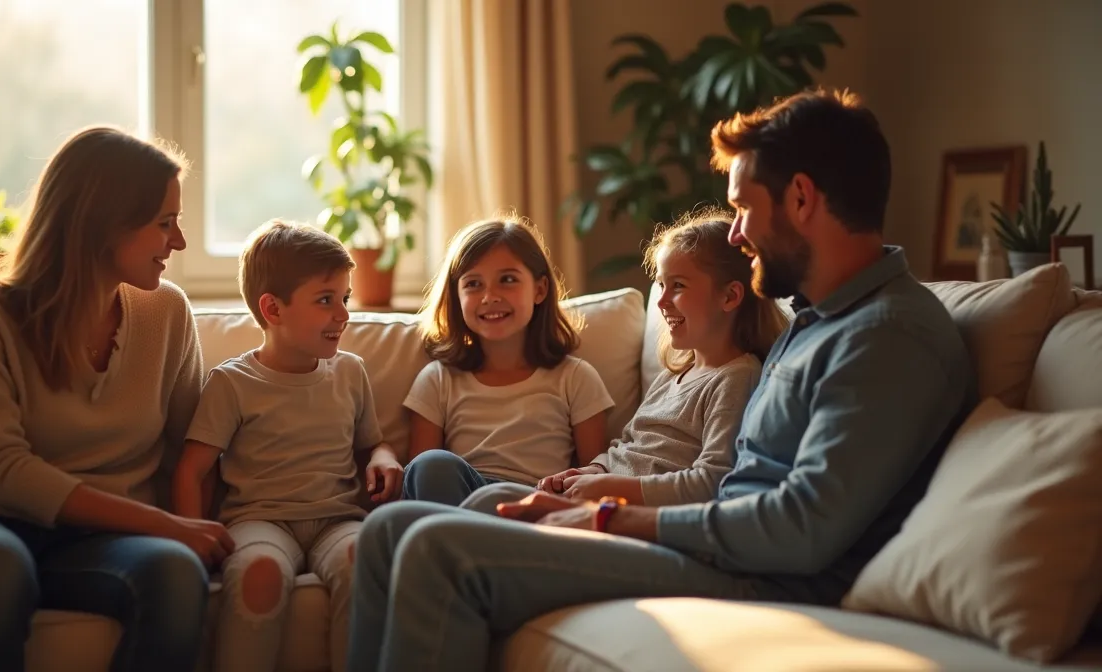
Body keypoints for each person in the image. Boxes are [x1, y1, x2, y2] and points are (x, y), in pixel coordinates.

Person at [346, 88, 977, 672]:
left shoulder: (889, 336)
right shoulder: (815, 320)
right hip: (716, 547)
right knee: (390, 529)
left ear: (802, 200)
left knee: (437, 550)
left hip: (763, 577)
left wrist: (607, 515)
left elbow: (800, 531)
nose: (736, 234)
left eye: (742, 209)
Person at [0, 126, 225, 672]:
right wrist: (164, 525)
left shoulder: (166, 312)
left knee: (174, 572)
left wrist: (206, 530)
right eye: (164, 223)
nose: (179, 243)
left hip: (92, 539)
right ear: (104, 223)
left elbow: (188, 450)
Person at [171, 219, 404, 672]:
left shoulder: (351, 372)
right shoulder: (232, 382)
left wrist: (385, 460)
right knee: (259, 573)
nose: (343, 314)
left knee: (365, 561)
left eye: (344, 299)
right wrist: (193, 541)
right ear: (273, 310)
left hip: (338, 519)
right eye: (325, 301)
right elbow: (190, 470)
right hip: (260, 520)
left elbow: (374, 444)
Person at [461, 210, 788, 515]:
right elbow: (626, 445)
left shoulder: (736, 378)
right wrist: (592, 470)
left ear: (729, 297)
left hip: (620, 514)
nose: (660, 301)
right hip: (598, 498)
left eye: (678, 286)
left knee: (490, 504)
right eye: (661, 284)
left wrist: (611, 487)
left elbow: (713, 481)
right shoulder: (674, 375)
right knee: (485, 501)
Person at [399, 216, 615, 506]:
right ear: (456, 295)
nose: (490, 296)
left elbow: (592, 479)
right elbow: (420, 482)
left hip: (534, 506)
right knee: (431, 464)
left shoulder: (575, 377)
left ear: (539, 289)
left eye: (508, 280)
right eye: (473, 284)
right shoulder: (438, 379)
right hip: (461, 502)